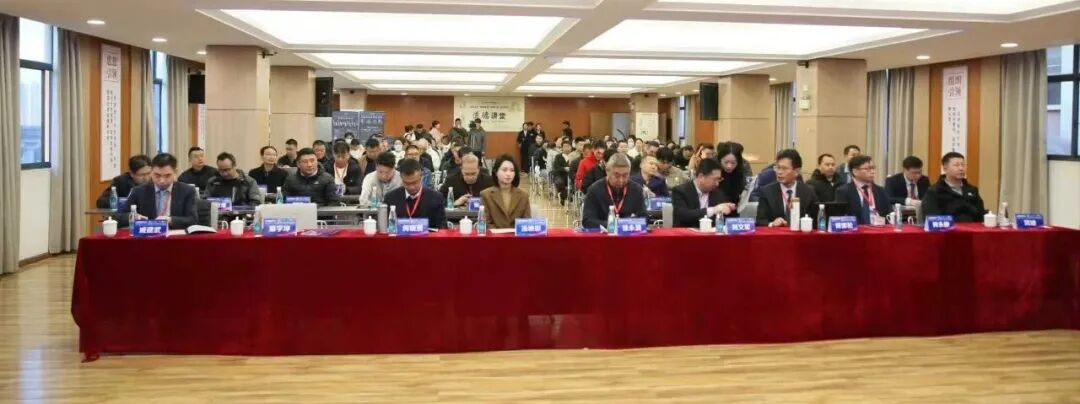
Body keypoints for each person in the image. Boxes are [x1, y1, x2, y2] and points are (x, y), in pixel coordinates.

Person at [119, 153, 198, 229]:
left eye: (167, 176)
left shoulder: (187, 191)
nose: (162, 181)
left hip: (174, 234)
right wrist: (133, 216)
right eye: (157, 175)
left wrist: (170, 220)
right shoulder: (138, 191)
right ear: (151, 172)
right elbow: (119, 217)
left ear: (175, 172)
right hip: (148, 234)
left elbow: (193, 220)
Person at [582, 153, 647, 230]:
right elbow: (587, 221)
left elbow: (644, 218)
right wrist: (614, 225)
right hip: (603, 235)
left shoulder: (636, 190)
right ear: (607, 171)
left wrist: (626, 223)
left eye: (625, 175)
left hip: (629, 234)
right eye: (617, 175)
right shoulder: (594, 190)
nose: (621, 180)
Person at [755, 149, 819, 227]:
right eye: (778, 168)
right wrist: (772, 224)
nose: (779, 172)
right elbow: (760, 221)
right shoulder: (767, 192)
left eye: (784, 168)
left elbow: (816, 221)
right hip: (776, 233)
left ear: (797, 171)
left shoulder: (808, 191)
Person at [671, 157, 737, 227]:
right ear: (701, 177)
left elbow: (725, 221)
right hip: (686, 232)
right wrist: (713, 210)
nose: (717, 184)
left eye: (719, 179)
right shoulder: (680, 191)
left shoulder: (718, 194)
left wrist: (729, 208)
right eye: (715, 179)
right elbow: (683, 215)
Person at [921, 152, 986, 222]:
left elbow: (981, 213)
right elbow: (932, 218)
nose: (961, 168)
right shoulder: (934, 191)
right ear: (945, 168)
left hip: (973, 227)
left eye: (963, 165)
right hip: (947, 228)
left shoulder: (972, 190)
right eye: (956, 165)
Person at [384, 158, 447, 229]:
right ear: (401, 179)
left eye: (414, 182)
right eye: (407, 183)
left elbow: (442, 229)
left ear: (421, 177)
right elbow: (385, 228)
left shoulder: (435, 198)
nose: (411, 187)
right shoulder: (391, 198)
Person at [835, 155, 893, 225]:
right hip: (855, 230)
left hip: (879, 229)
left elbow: (889, 214)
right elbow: (839, 218)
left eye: (873, 168)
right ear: (855, 171)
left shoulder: (881, 191)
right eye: (867, 169)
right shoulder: (843, 191)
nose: (872, 171)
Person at [479, 155, 532, 229]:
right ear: (496, 172)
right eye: (504, 170)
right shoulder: (486, 195)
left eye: (512, 170)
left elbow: (527, 222)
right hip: (494, 235)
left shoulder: (524, 195)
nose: (508, 174)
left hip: (516, 235)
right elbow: (485, 223)